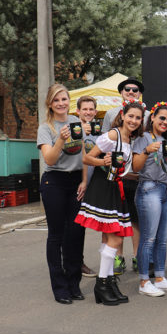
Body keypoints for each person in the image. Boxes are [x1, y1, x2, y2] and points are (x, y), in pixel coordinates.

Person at [76, 101, 145, 305]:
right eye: (131, 116)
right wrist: (102, 162)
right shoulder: (113, 135)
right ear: (123, 115)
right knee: (115, 239)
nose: (133, 120)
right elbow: (87, 158)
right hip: (103, 189)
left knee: (110, 239)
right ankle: (102, 282)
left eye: (138, 118)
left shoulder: (129, 138)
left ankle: (106, 283)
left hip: (115, 188)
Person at [37, 84, 87, 304]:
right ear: (50, 103)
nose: (61, 103)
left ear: (69, 101)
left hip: (76, 181)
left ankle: (74, 283)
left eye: (64, 99)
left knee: (76, 234)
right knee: (56, 236)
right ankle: (60, 287)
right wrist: (60, 140)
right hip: (54, 182)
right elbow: (49, 159)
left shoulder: (77, 122)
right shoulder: (45, 128)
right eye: (56, 100)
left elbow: (84, 153)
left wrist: (85, 180)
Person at [131, 102, 167, 297]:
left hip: (165, 189)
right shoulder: (143, 138)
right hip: (148, 188)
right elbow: (135, 167)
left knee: (162, 239)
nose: (165, 122)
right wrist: (146, 151)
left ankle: (159, 278)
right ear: (152, 117)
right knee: (148, 238)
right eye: (162, 118)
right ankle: (144, 281)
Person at [101, 77, 147, 275]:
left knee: (136, 219)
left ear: (139, 93)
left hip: (137, 176)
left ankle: (137, 255)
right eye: (127, 89)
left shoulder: (147, 115)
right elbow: (103, 144)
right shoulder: (111, 114)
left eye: (135, 89)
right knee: (116, 220)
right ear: (121, 93)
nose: (131, 91)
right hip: (116, 177)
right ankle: (118, 257)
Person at [76, 95, 99, 277]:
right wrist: (81, 132)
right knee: (73, 225)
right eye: (85, 109)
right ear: (78, 111)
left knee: (82, 225)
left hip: (92, 184)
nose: (88, 112)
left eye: (91, 109)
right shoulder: (74, 129)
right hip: (76, 182)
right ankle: (75, 262)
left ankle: (77, 260)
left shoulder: (99, 130)